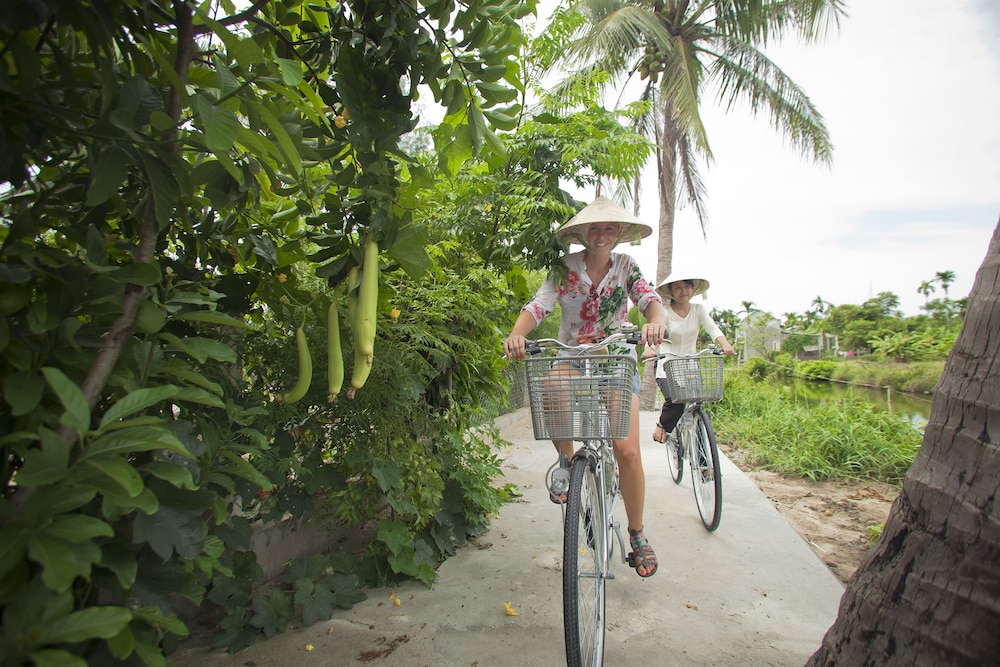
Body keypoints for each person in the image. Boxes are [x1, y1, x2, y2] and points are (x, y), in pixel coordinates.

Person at [504, 196, 667, 578]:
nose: (602, 234)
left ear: (620, 233)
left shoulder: (627, 267)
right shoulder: (564, 269)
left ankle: (637, 532)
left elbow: (650, 300)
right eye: (595, 227)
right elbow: (539, 305)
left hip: (615, 358)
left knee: (626, 450)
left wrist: (655, 321)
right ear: (582, 233)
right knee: (551, 387)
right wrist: (516, 334)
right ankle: (565, 462)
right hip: (572, 354)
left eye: (610, 228)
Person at [648, 275, 736, 444]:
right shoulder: (664, 310)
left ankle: (704, 466)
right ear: (671, 291)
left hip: (690, 366)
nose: (683, 291)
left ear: (693, 288)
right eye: (678, 288)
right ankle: (662, 425)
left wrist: (725, 344)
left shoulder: (698, 310)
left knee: (699, 408)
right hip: (667, 365)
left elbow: (712, 328)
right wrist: (650, 348)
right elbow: (656, 331)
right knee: (675, 402)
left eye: (687, 287)